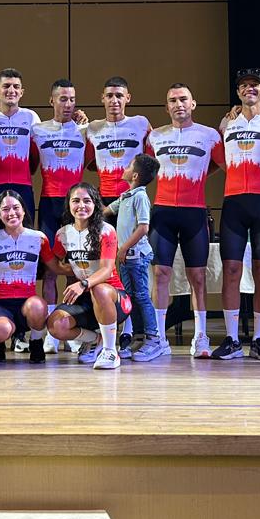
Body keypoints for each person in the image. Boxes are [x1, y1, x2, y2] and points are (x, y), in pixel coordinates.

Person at [213, 68, 260, 361]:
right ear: (238, 92)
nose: (250, 89)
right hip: (233, 203)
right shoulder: (227, 123)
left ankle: (259, 339)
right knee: (230, 270)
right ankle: (232, 340)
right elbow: (218, 159)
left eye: (255, 85)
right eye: (244, 85)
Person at [146, 83, 225, 358]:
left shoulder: (210, 136)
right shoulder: (154, 137)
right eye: (172, 100)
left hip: (194, 212)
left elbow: (220, 164)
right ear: (166, 107)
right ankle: (158, 337)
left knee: (198, 277)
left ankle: (201, 337)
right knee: (160, 274)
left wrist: (198, 177)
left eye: (183, 99)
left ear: (193, 104)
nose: (178, 104)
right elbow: (144, 170)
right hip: (162, 213)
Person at [46, 182, 133, 370]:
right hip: (86, 299)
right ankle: (95, 339)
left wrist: (83, 283)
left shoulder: (106, 230)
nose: (81, 206)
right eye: (75, 201)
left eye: (87, 201)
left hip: (115, 298)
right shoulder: (63, 234)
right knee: (55, 325)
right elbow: (55, 264)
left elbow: (107, 269)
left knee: (99, 289)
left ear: (95, 204)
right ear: (69, 204)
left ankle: (110, 351)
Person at [31, 79, 88, 352]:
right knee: (52, 270)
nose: (68, 104)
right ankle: (52, 332)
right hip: (49, 202)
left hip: (75, 205)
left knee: (76, 270)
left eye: (72, 99)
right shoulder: (37, 130)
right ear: (51, 101)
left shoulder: (85, 130)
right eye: (62, 99)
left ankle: (72, 329)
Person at [0, 189, 54, 363]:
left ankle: (36, 342)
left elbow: (56, 267)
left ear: (24, 210)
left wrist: (85, 273)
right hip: (1, 304)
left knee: (39, 306)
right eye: (5, 209)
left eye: (16, 208)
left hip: (27, 304)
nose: (11, 213)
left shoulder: (39, 238)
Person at [103, 153, 164, 361]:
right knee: (128, 296)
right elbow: (105, 211)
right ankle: (138, 336)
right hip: (125, 258)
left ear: (135, 175)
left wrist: (123, 248)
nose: (125, 168)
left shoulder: (140, 196)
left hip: (136, 256)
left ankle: (154, 339)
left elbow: (143, 227)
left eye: (129, 166)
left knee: (142, 296)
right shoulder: (126, 196)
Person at [0, 68, 41, 230]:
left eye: (16, 87)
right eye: (6, 86)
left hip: (23, 185)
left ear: (22, 92)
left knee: (26, 232)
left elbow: (35, 156)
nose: (11, 90)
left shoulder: (32, 117)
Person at [85, 75, 152, 203]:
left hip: (133, 196)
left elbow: (151, 162)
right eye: (109, 96)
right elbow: (89, 164)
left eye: (119, 96)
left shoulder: (141, 123)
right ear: (102, 98)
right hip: (104, 198)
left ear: (128, 98)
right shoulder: (93, 127)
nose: (114, 100)